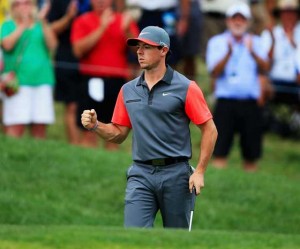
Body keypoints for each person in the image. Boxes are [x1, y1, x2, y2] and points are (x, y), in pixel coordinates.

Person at [81, 26, 218, 228]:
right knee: (135, 237)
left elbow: (210, 130)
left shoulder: (186, 87)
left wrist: (199, 171)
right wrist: (96, 126)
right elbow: (118, 133)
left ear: (163, 51)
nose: (139, 51)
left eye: (147, 47)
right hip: (141, 174)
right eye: (138, 47)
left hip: (177, 175)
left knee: (176, 242)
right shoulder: (127, 90)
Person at [206, 3, 269, 171]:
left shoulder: (257, 42)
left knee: (251, 154)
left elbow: (265, 68)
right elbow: (214, 71)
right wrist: (228, 53)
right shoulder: (217, 42)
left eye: (242, 19)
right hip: (225, 102)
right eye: (235, 18)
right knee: (219, 151)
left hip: (250, 103)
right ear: (228, 21)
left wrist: (253, 52)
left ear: (248, 22)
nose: (238, 22)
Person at [71, 0, 139, 149]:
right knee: (89, 129)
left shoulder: (123, 19)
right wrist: (102, 27)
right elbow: (78, 50)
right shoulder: (83, 20)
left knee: (113, 131)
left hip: (117, 82)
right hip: (92, 80)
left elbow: (140, 52)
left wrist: (127, 30)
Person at [0, 0, 57, 138]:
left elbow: (53, 45)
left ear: (33, 6)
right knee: (15, 124)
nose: (23, 7)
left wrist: (43, 22)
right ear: (14, 8)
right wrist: (22, 26)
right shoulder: (8, 25)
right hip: (18, 83)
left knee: (40, 124)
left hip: (42, 80)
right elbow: (7, 45)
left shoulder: (41, 25)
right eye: (18, 4)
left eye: (26, 3)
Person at [48, 0, 81, 145]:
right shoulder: (58, 2)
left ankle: (86, 146)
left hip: (90, 59)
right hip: (67, 57)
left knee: (85, 107)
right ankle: (75, 146)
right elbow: (51, 29)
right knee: (72, 105)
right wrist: (68, 17)